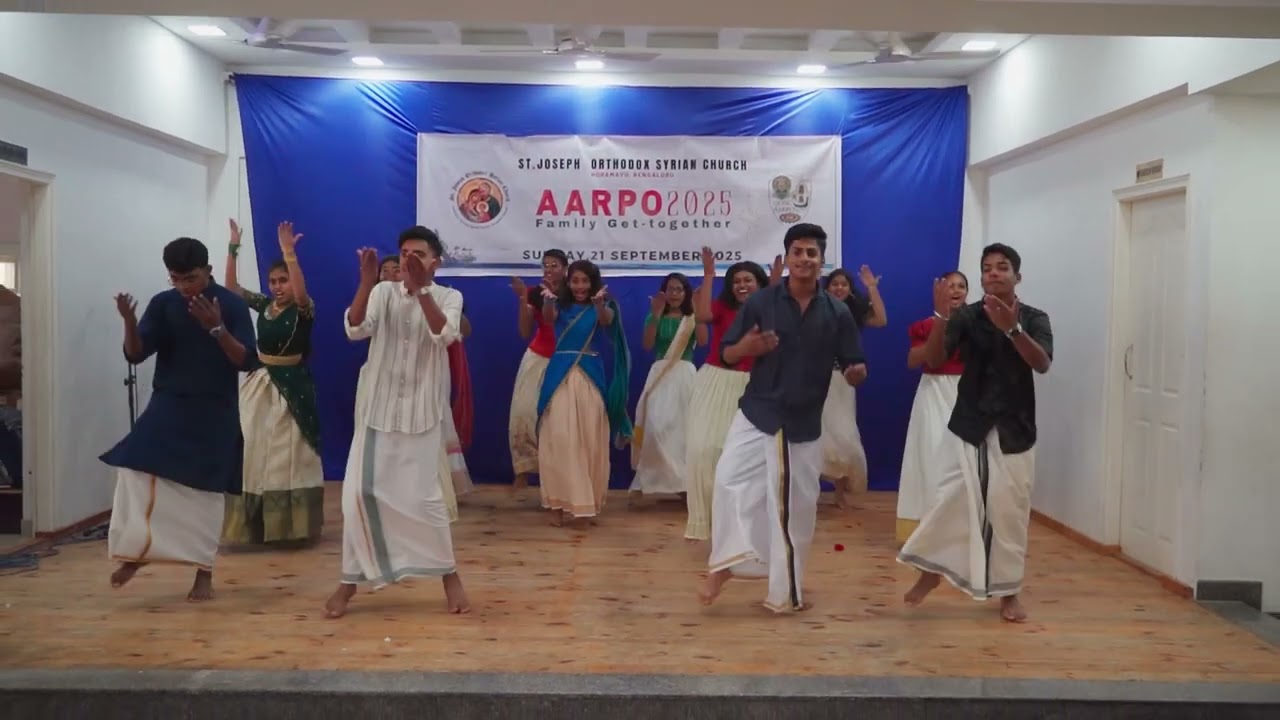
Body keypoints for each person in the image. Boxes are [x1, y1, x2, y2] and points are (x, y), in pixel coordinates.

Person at [699, 224, 867, 613]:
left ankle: (785, 593)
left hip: (802, 422)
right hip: (757, 410)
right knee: (727, 482)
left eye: (812, 252)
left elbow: (854, 361)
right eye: (798, 252)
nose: (804, 258)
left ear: (822, 260)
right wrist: (749, 346)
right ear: (788, 257)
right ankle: (728, 563)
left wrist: (857, 372)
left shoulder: (837, 312)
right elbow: (726, 353)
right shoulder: (762, 302)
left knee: (795, 507)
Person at [898, 244, 1052, 623]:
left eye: (1002, 268)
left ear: (1018, 276)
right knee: (948, 499)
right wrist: (939, 317)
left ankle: (1009, 593)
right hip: (969, 424)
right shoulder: (966, 317)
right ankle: (931, 572)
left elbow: (1042, 363)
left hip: (1015, 429)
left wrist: (1012, 329)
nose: (993, 274)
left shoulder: (1034, 318)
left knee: (1009, 512)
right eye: (986, 269)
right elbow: (933, 360)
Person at [325, 226, 470, 618]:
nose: (408, 260)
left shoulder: (449, 296)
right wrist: (365, 282)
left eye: (417, 254)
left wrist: (422, 291)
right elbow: (354, 328)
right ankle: (349, 582)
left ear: (435, 262)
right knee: (356, 497)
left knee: (425, 502)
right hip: (377, 412)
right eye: (404, 253)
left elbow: (445, 335)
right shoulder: (382, 293)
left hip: (422, 414)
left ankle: (449, 576)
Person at [102, 237, 257, 601]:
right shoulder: (164, 304)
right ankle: (137, 552)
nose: (184, 286)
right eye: (176, 279)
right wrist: (128, 321)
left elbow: (247, 361)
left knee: (205, 493)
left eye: (191, 278)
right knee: (135, 470)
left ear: (209, 271)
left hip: (214, 409)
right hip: (169, 403)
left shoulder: (231, 305)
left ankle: (204, 571)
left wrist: (217, 329)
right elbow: (136, 354)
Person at [220, 219, 324, 547]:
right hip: (259, 384)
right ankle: (254, 525)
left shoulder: (304, 311)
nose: (279, 287)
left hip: (292, 389)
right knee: (253, 449)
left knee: (287, 454)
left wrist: (289, 253)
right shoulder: (265, 306)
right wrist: (233, 247)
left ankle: (291, 528)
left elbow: (301, 292)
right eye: (274, 281)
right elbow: (231, 289)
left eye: (284, 281)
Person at [683, 249, 774, 541]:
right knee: (702, 450)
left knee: (745, 460)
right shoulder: (722, 308)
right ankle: (705, 524)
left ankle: (742, 528)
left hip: (753, 388)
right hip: (715, 383)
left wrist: (774, 287)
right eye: (736, 281)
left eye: (749, 279)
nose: (742, 284)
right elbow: (702, 314)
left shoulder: (770, 309)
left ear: (759, 283)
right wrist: (709, 275)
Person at [535, 259, 631, 527]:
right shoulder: (560, 304)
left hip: (590, 376)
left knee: (589, 438)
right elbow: (548, 318)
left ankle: (585, 503)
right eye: (575, 281)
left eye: (584, 281)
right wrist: (549, 300)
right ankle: (556, 504)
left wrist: (599, 304)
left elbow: (606, 321)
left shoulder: (605, 305)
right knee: (559, 438)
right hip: (560, 377)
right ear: (568, 282)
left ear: (593, 283)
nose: (579, 286)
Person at [895, 271, 968, 543]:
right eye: (950, 286)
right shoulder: (924, 326)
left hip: (966, 394)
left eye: (961, 286)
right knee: (932, 454)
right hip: (934, 393)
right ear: (939, 292)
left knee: (963, 461)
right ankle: (927, 527)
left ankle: (959, 528)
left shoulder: (977, 324)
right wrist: (940, 324)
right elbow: (914, 360)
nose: (956, 290)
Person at [630, 272, 706, 498]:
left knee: (683, 431)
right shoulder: (656, 315)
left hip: (685, 376)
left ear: (686, 293)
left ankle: (684, 485)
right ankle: (650, 480)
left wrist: (698, 311)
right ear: (664, 292)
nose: (674, 294)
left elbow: (703, 342)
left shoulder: (692, 318)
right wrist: (654, 315)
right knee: (657, 427)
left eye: (679, 289)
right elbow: (647, 344)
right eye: (670, 289)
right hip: (660, 375)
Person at [819, 266, 887, 508]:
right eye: (834, 284)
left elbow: (880, 319)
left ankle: (839, 493)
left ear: (849, 289)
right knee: (815, 435)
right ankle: (811, 492)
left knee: (843, 434)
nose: (839, 288)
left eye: (843, 284)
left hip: (842, 379)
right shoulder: (815, 310)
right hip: (814, 378)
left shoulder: (854, 312)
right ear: (826, 288)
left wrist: (871, 288)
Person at [508, 250, 568, 487]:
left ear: (565, 268)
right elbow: (524, 332)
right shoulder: (534, 293)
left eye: (554, 265)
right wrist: (523, 299)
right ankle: (524, 468)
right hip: (537, 357)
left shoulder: (575, 292)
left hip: (565, 361)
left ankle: (558, 476)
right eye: (546, 265)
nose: (549, 269)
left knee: (560, 421)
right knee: (523, 413)